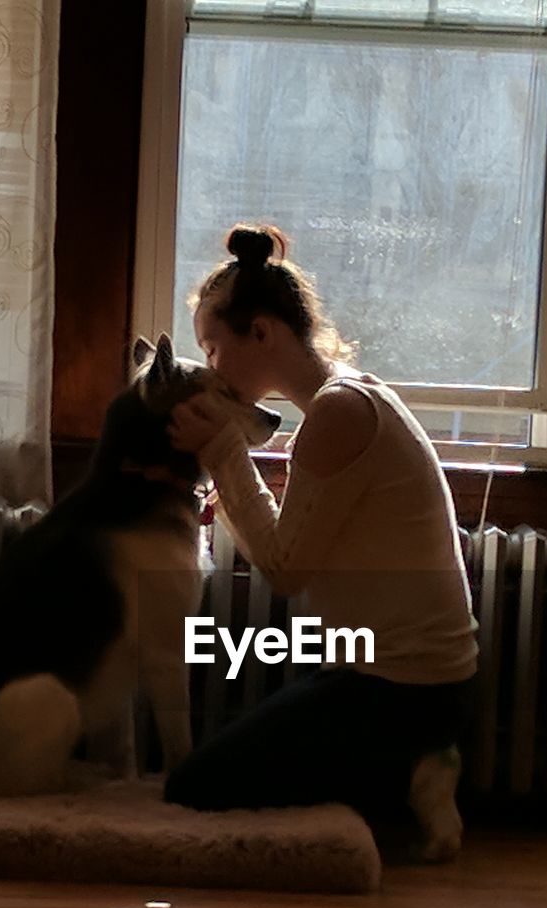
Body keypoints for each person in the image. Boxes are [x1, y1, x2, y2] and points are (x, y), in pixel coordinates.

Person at [164, 222, 479, 859]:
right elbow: (301, 539)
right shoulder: (353, 397)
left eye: (213, 348)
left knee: (195, 785)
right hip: (415, 681)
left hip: (400, 689)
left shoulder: (336, 414)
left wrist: (222, 450)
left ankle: (405, 776)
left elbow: (285, 567)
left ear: (262, 332)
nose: (212, 369)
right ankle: (402, 775)